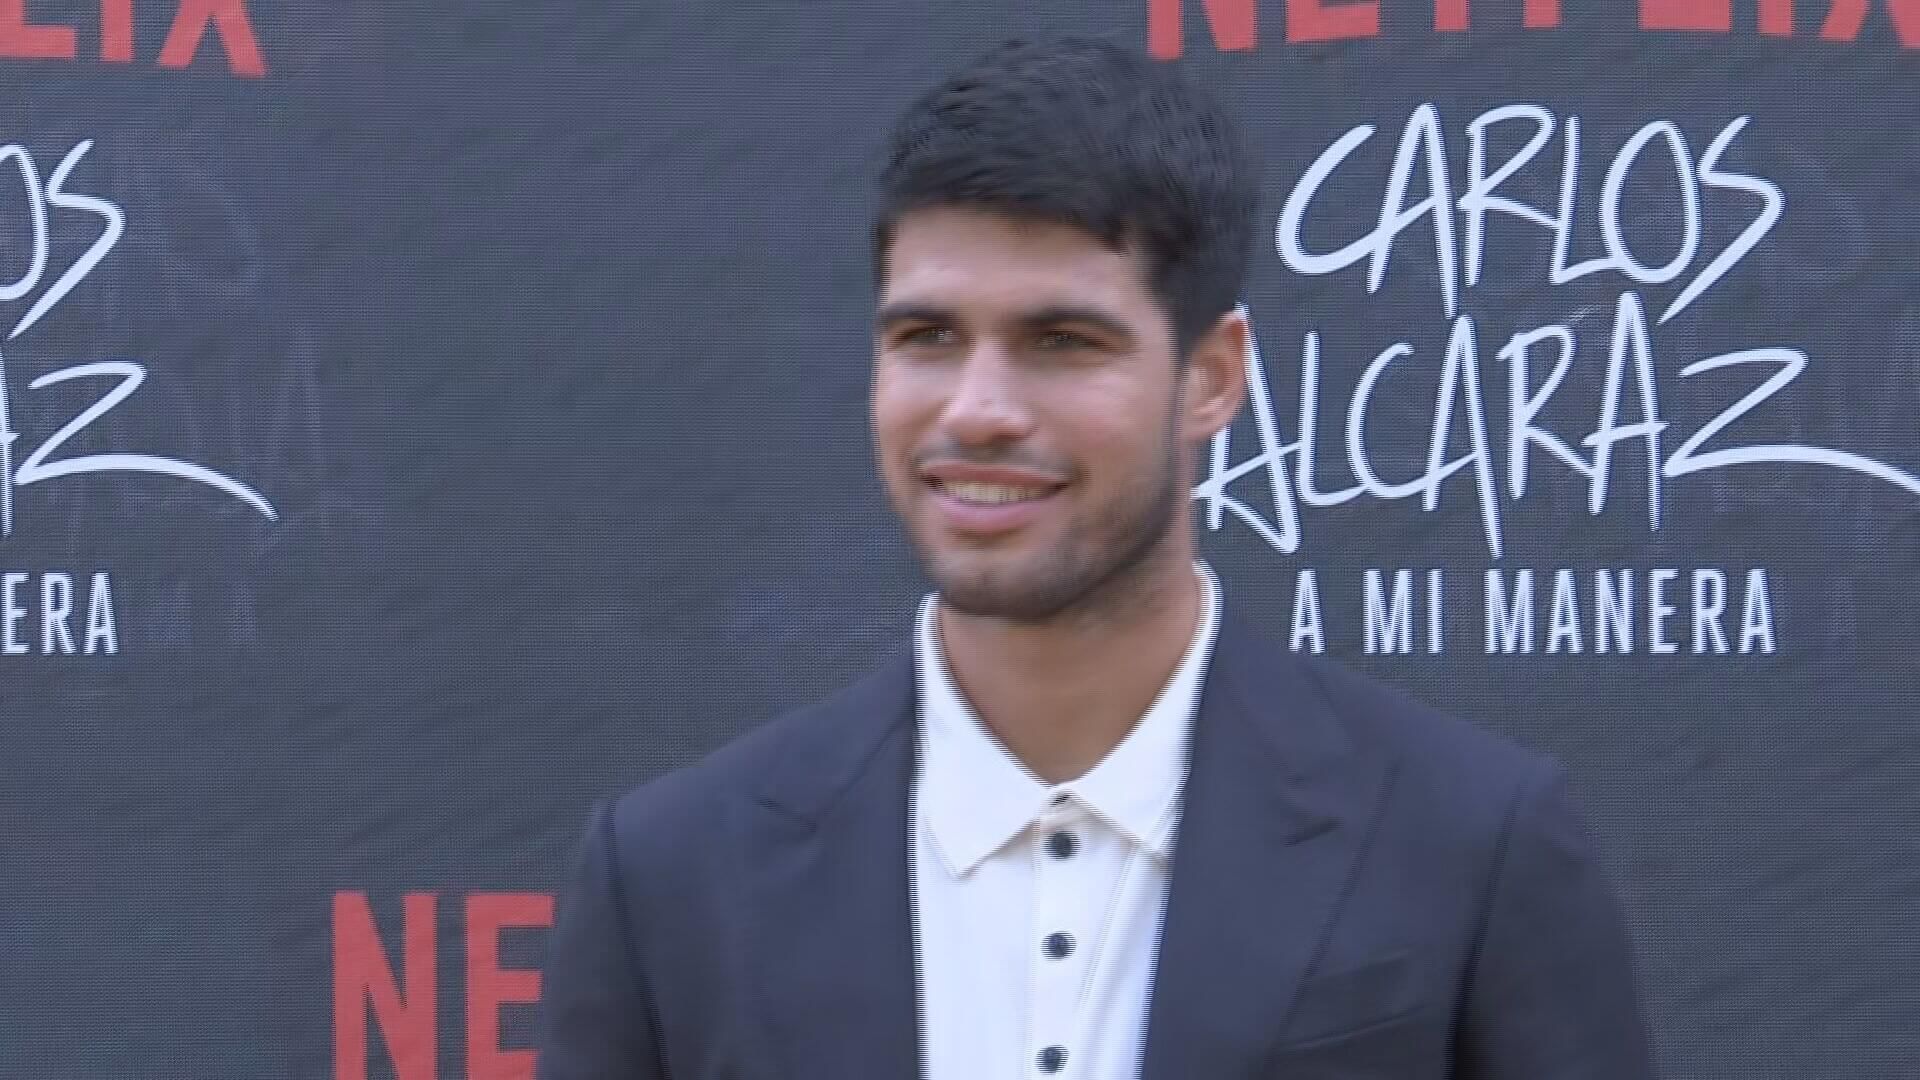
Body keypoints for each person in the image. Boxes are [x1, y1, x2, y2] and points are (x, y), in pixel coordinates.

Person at [536, 36, 1658, 1080]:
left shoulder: (1470, 840)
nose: (977, 410)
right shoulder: (672, 876)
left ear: (1213, 376)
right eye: (926, 338)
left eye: (1063, 342)